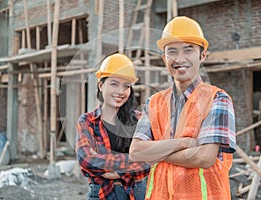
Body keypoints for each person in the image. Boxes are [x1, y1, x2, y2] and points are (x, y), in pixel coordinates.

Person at [129, 16, 236, 200]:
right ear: (164, 58)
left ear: (202, 55)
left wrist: (156, 153)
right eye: (172, 51)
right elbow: (136, 152)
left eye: (188, 50)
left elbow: (204, 157)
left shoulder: (217, 99)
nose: (180, 59)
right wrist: (185, 143)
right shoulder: (154, 102)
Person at [76, 53, 150, 200]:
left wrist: (113, 169)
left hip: (136, 193)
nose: (120, 92)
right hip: (101, 193)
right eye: (114, 84)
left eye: (126, 86)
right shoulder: (88, 121)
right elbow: (86, 159)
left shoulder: (139, 119)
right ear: (101, 85)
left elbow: (150, 160)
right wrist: (131, 162)